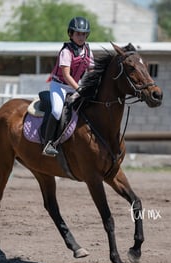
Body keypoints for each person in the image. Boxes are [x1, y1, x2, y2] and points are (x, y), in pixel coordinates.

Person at [42, 16, 94, 157]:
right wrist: (79, 89)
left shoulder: (88, 50)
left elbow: (92, 71)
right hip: (59, 86)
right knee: (58, 111)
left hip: (75, 86)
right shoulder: (66, 51)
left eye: (83, 34)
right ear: (71, 34)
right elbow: (66, 75)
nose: (81, 37)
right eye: (78, 33)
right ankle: (48, 144)